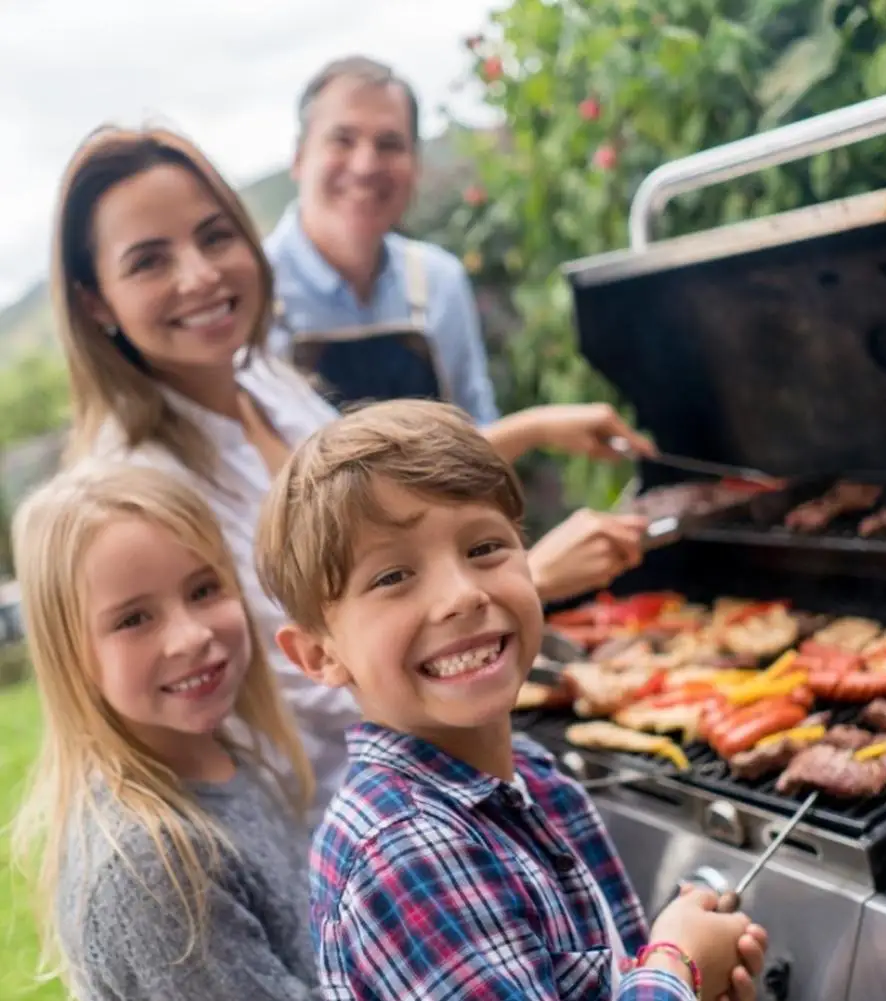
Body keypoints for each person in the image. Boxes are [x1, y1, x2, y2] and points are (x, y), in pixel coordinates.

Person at [53, 124, 653, 819]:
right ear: (95, 301)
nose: (200, 274)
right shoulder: (137, 489)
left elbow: (375, 504)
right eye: (149, 262)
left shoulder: (263, 382)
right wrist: (527, 580)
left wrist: (529, 430)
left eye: (215, 236)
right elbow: (296, 683)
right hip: (351, 811)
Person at [255, 399, 768, 1001]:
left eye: (484, 549)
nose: (462, 595)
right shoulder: (407, 852)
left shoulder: (531, 776)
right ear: (319, 655)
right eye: (393, 577)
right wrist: (678, 963)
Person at [9, 462, 320, 1000]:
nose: (191, 635)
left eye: (204, 589)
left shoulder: (220, 753)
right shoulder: (154, 868)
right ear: (69, 654)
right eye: (133, 619)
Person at [266, 55, 498, 421]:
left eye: (389, 144)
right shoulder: (250, 294)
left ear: (416, 165)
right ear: (298, 157)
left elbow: (478, 429)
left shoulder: (439, 281)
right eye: (342, 139)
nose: (365, 166)